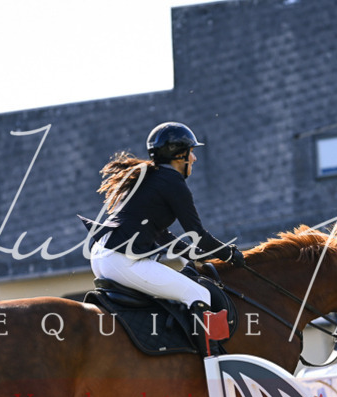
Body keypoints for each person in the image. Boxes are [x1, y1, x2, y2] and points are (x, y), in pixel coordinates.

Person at [85, 121, 245, 355]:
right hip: (121, 260)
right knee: (198, 294)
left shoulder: (150, 178)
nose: (195, 159)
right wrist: (230, 254)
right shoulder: (172, 183)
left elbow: (162, 235)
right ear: (179, 155)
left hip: (102, 256)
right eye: (191, 152)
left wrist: (193, 255)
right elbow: (198, 235)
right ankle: (213, 365)